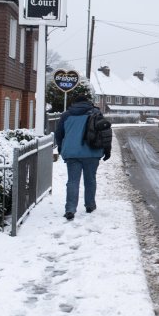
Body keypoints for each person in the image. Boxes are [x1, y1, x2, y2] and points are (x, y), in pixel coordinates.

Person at [54, 87, 110, 221]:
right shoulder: (96, 113)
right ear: (88, 102)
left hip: (72, 153)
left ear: (74, 103)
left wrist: (62, 148)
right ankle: (90, 205)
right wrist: (107, 150)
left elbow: (58, 134)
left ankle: (70, 209)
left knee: (73, 181)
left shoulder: (67, 115)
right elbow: (105, 133)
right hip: (92, 152)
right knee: (90, 180)